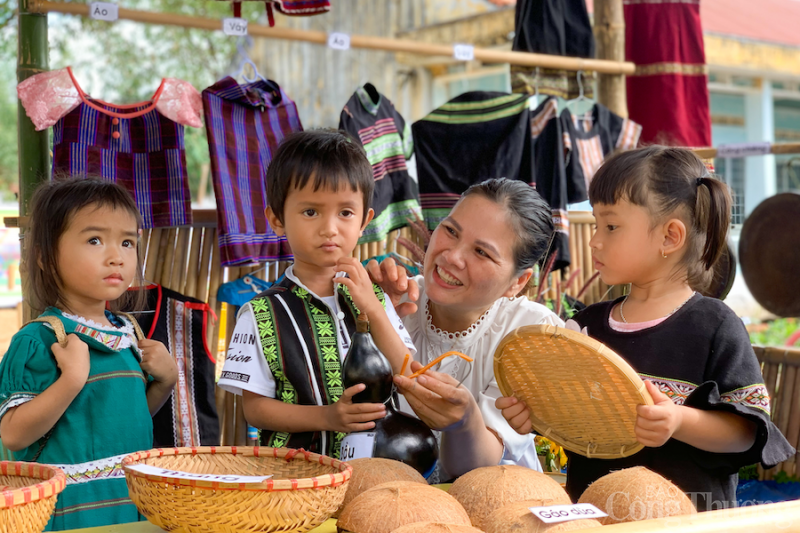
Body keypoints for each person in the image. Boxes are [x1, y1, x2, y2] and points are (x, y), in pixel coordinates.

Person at [499, 146, 795, 511]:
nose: (594, 239)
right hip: (595, 515)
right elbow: (577, 420)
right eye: (595, 224)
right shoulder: (587, 324)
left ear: (670, 237)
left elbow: (747, 431)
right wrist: (537, 416)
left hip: (687, 521)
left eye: (610, 225)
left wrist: (679, 420)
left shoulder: (716, 326)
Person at [217, 130, 416, 459]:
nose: (330, 228)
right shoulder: (259, 312)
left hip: (378, 472)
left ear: (366, 219)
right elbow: (255, 409)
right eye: (311, 212)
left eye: (345, 213)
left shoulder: (375, 298)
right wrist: (327, 418)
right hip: (298, 480)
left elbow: (409, 374)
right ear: (277, 220)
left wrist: (375, 309)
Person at [0, 178, 178, 531]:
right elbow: (13, 435)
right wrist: (71, 380)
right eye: (95, 240)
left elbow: (125, 416)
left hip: (129, 501)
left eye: (127, 242)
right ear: (45, 257)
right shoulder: (41, 339)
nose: (116, 256)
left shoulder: (126, 332)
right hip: (72, 510)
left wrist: (166, 382)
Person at [368, 178, 563, 482]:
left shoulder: (533, 334)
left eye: (482, 252)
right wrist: (366, 318)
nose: (452, 256)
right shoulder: (392, 301)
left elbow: (471, 471)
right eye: (451, 231)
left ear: (518, 282)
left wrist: (466, 422)